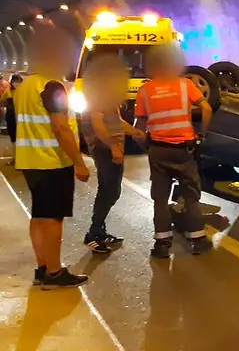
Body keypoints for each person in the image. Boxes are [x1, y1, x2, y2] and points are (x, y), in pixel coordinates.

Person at [15, 25, 90, 289]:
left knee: (39, 216)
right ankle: (55, 273)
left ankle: (42, 268)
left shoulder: (24, 86)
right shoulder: (52, 86)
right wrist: (79, 163)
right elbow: (60, 128)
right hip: (52, 162)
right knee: (53, 218)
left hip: (29, 161)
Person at [134, 44, 213, 258]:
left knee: (160, 198)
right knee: (190, 195)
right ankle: (197, 240)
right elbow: (206, 109)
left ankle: (161, 245)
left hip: (158, 150)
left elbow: (139, 129)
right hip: (183, 150)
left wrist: (147, 146)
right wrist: (201, 135)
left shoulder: (145, 90)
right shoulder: (185, 85)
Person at [80, 54, 146, 254]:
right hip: (104, 150)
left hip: (109, 148)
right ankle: (93, 233)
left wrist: (134, 131)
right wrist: (113, 147)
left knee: (110, 190)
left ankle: (99, 231)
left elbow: (115, 122)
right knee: (109, 191)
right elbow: (99, 126)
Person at [0, 73, 23, 164]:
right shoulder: (8, 92)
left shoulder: (25, 92)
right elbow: (2, 102)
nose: (16, 83)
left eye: (18, 81)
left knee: (22, 139)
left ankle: (22, 159)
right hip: (11, 118)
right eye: (14, 81)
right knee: (13, 137)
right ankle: (15, 157)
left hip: (22, 118)